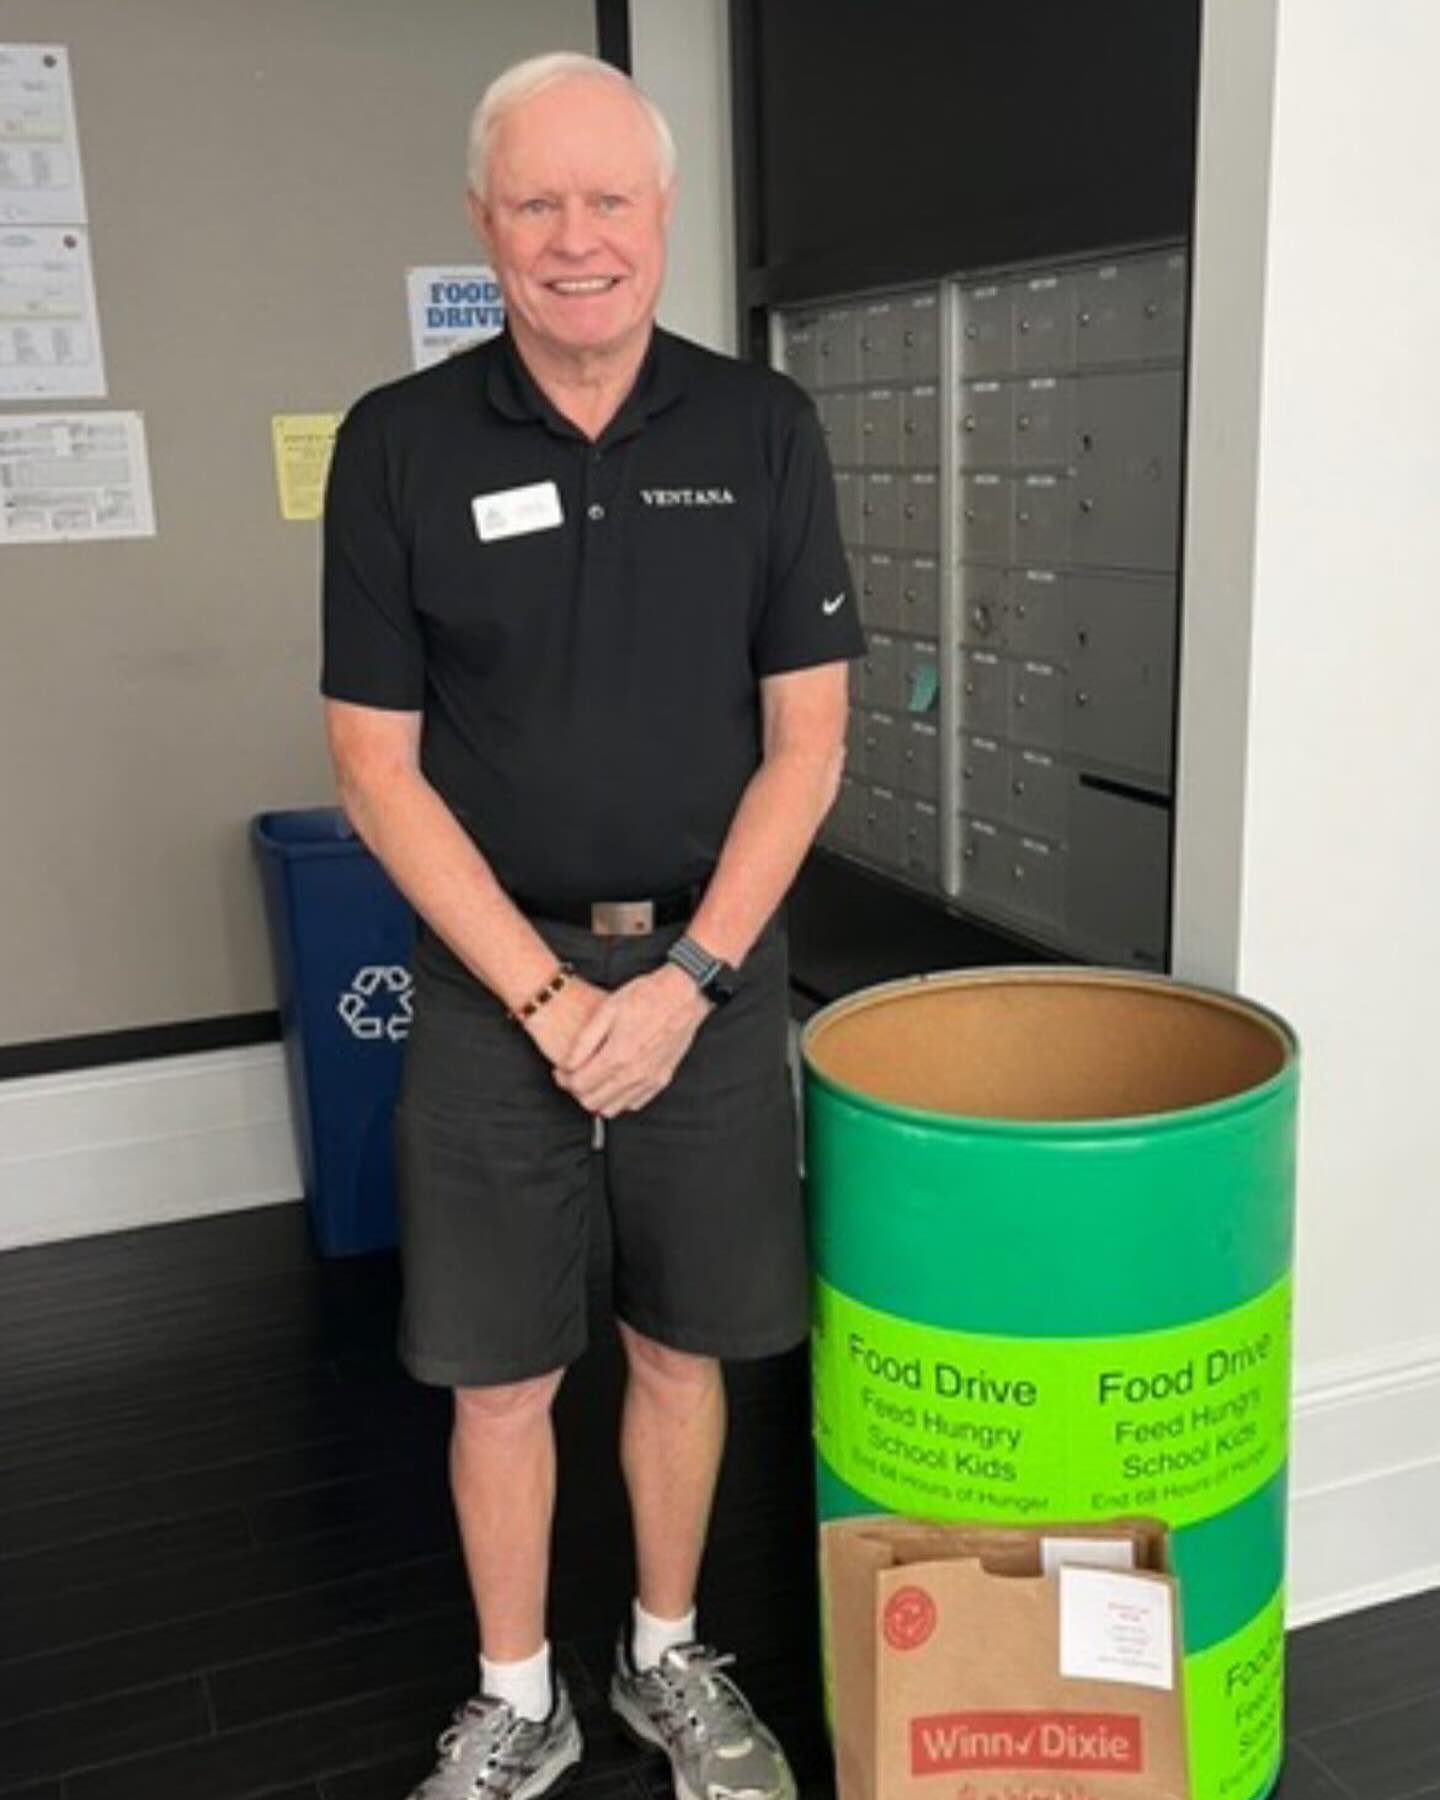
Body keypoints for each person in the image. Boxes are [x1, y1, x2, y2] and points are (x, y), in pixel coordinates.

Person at [321, 49, 863, 1800]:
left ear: (663, 214)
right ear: (483, 222)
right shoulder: (397, 445)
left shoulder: (762, 429)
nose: (578, 238)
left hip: (710, 975)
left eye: (609, 198)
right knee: (495, 1375)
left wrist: (691, 980)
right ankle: (517, 1697)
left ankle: (662, 1656)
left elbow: (808, 743)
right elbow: (376, 770)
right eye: (538, 202)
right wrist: (552, 998)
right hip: (498, 987)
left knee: (678, 1347)